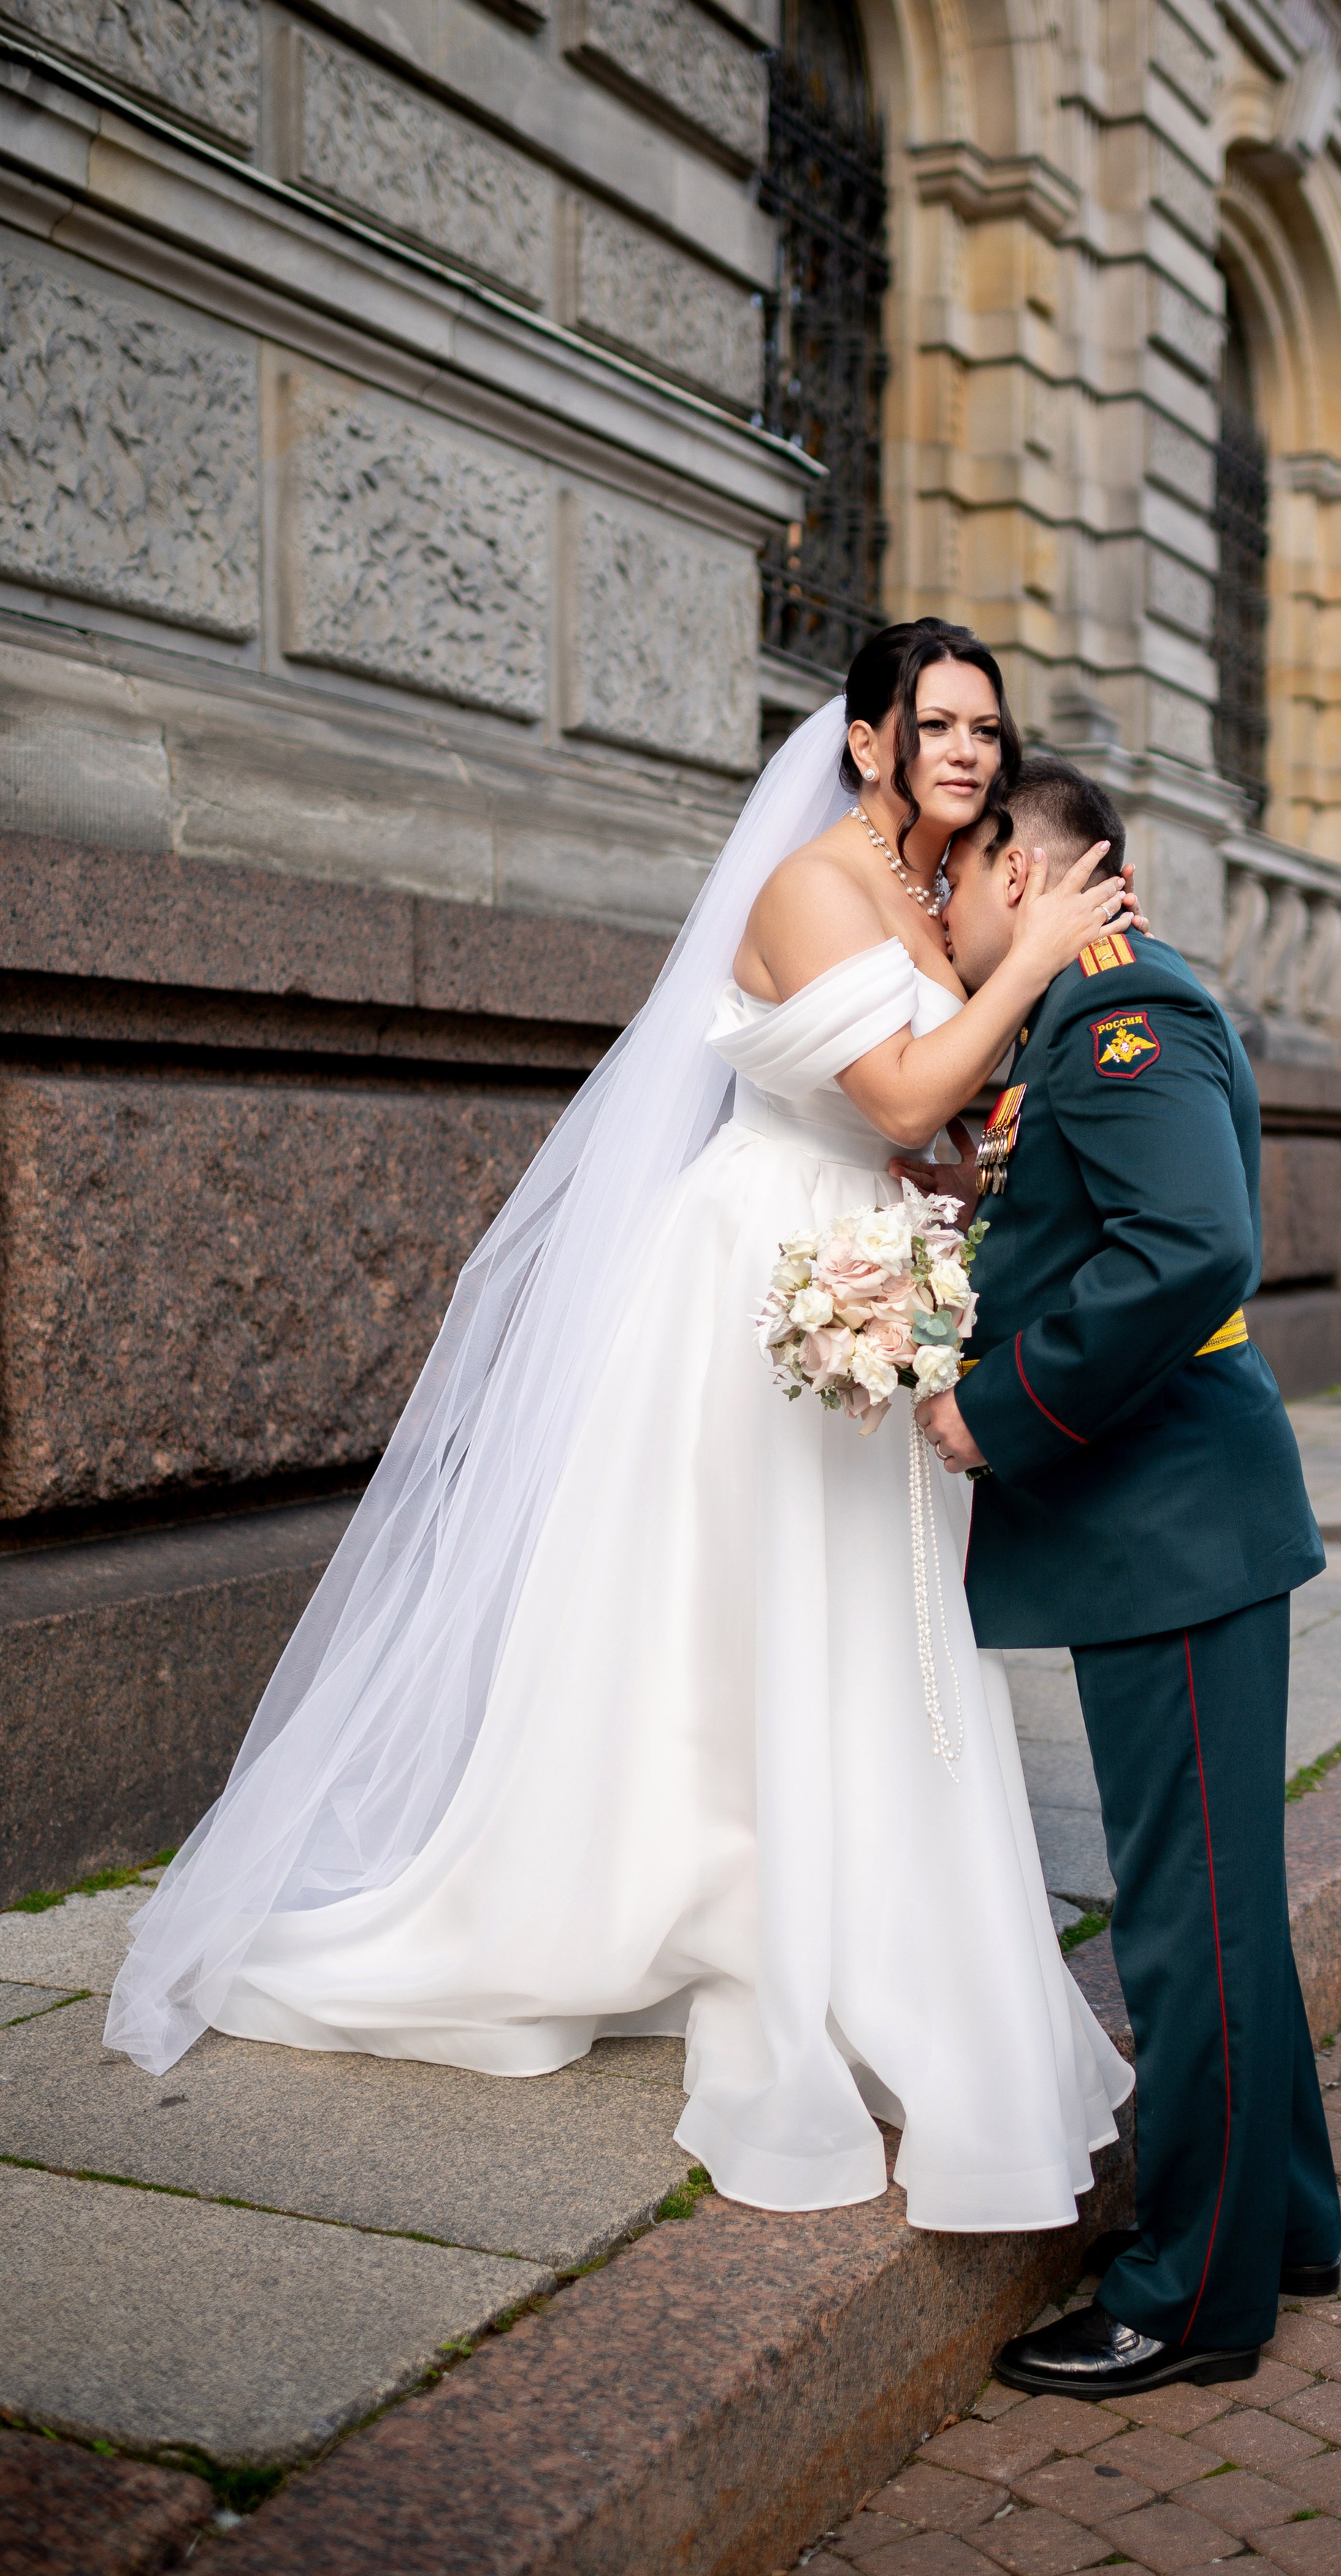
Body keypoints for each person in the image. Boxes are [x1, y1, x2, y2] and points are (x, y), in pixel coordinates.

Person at [105, 624, 1136, 2237]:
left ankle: (833, 1896)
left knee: (863, 1610)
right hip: (756, 1282)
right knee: (730, 1595)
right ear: (863, 740)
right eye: (931, 725)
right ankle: (692, 1896)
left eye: (986, 732)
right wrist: (1029, 960)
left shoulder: (937, 898)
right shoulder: (812, 884)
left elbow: (943, 1129)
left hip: (862, 1266)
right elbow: (892, 1097)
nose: (963, 752)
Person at [915, 756, 1341, 2390]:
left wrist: (997, 1409)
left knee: (1185, 1925)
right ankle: (1274, 2226)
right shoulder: (1085, 1013)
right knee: (1216, 1904)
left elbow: (1191, 1248)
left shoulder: (1114, 1012)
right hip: (1170, 1518)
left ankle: (1185, 2293)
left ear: (1023, 873)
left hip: (1167, 1522)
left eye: (956, 872)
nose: (939, 903)